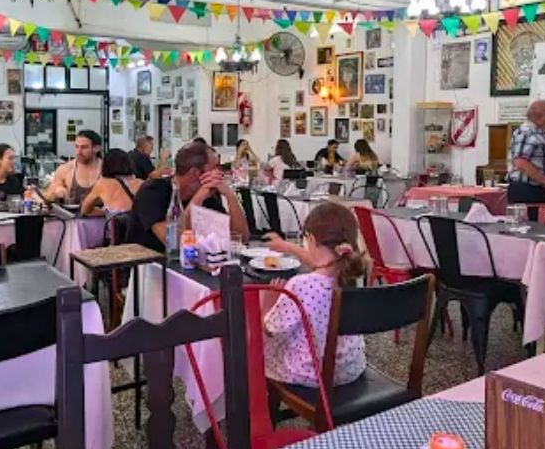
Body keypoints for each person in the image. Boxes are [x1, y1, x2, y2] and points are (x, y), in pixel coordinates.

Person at [258, 203, 369, 387]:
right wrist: (288, 247)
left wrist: (267, 304)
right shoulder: (352, 274)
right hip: (350, 368)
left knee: (260, 348)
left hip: (311, 373)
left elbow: (271, 329)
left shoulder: (300, 285)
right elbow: (323, 265)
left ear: (310, 239)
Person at [129, 141, 249, 252]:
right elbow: (172, 241)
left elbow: (241, 238)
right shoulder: (152, 192)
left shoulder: (209, 196)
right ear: (195, 173)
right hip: (149, 268)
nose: (220, 172)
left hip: (190, 266)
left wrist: (230, 196)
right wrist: (198, 198)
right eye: (214, 167)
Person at [506, 100, 545, 214]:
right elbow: (521, 162)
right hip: (527, 191)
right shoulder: (527, 132)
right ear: (538, 117)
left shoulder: (542, 133)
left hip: (538, 189)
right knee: (530, 228)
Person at [46, 130, 102, 205]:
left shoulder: (107, 169)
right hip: (72, 216)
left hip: (101, 215)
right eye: (76, 146)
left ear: (96, 148)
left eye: (84, 147)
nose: (79, 152)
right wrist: (57, 190)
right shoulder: (66, 169)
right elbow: (48, 196)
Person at [80, 149, 143, 216]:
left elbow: (85, 210)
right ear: (129, 163)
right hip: (139, 224)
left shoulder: (102, 183)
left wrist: (106, 213)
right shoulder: (142, 183)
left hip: (116, 224)